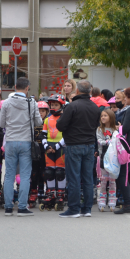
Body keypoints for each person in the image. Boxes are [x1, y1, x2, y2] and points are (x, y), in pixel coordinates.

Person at [56, 80, 101, 217]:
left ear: (77, 91)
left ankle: (74, 209)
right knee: (87, 178)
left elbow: (60, 126)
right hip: (89, 144)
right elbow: (96, 125)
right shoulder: (95, 107)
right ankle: (87, 209)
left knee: (74, 177)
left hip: (74, 145)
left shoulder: (72, 106)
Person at [0, 77, 43, 216]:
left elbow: (1, 124)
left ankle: (8, 207)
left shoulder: (6, 103)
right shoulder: (32, 103)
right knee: (24, 175)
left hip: (11, 141)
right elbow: (39, 121)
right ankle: (22, 207)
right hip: (25, 141)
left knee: (9, 174)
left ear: (15, 86)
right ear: (27, 88)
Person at [41, 94, 67, 211]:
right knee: (49, 172)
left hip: (61, 147)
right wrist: (46, 146)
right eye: (52, 104)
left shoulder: (65, 118)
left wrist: (56, 146)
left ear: (61, 106)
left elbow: (67, 135)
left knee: (60, 172)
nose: (53, 107)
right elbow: (43, 135)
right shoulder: (47, 119)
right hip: (49, 147)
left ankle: (61, 195)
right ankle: (51, 194)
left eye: (56, 104)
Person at [96, 109, 117, 211]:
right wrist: (108, 142)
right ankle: (102, 198)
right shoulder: (99, 129)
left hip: (113, 158)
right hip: (103, 156)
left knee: (112, 180)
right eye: (102, 116)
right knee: (104, 179)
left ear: (111, 117)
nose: (103, 117)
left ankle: (112, 198)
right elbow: (99, 141)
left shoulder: (115, 129)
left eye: (105, 115)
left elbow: (118, 140)